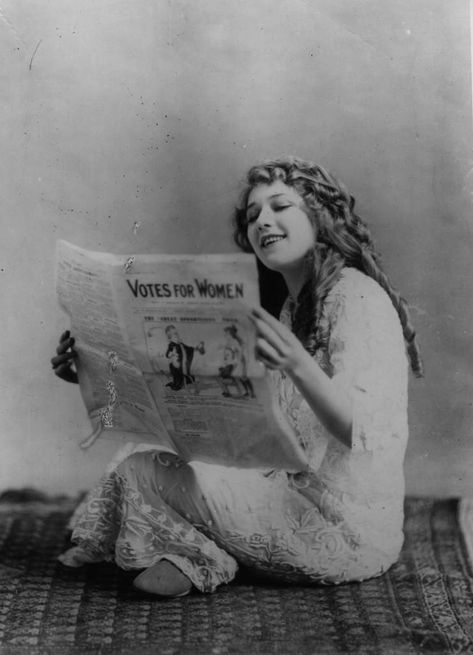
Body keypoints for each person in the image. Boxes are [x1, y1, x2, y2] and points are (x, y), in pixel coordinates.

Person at [51, 157, 422, 598]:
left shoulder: (356, 296)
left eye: (280, 206)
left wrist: (296, 363)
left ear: (321, 217)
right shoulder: (293, 304)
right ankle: (199, 552)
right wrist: (92, 369)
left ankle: (198, 554)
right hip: (283, 485)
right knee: (147, 449)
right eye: (252, 216)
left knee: (141, 472)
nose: (264, 221)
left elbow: (362, 431)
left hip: (340, 530)